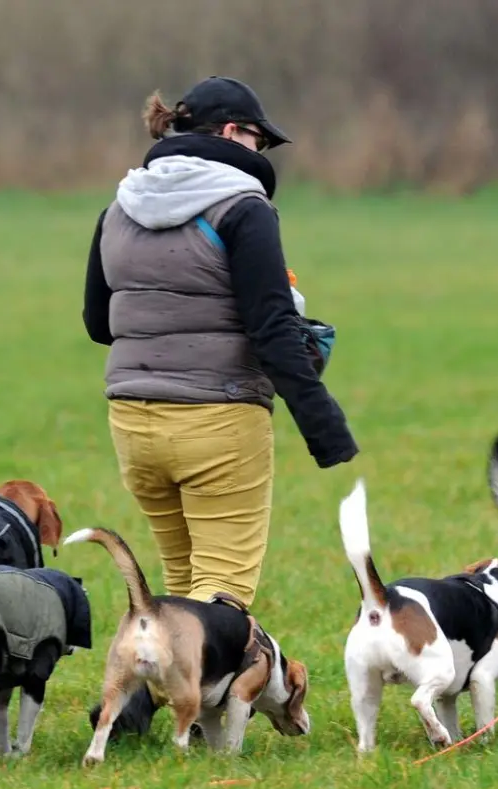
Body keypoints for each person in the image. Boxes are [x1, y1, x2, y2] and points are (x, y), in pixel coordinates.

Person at [82, 75, 358, 611]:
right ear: (233, 133)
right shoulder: (243, 209)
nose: (263, 151)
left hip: (133, 422)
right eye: (262, 139)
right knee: (221, 598)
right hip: (218, 419)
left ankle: (155, 691)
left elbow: (99, 323)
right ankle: (142, 700)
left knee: (181, 589)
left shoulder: (116, 209)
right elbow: (273, 328)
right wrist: (325, 427)